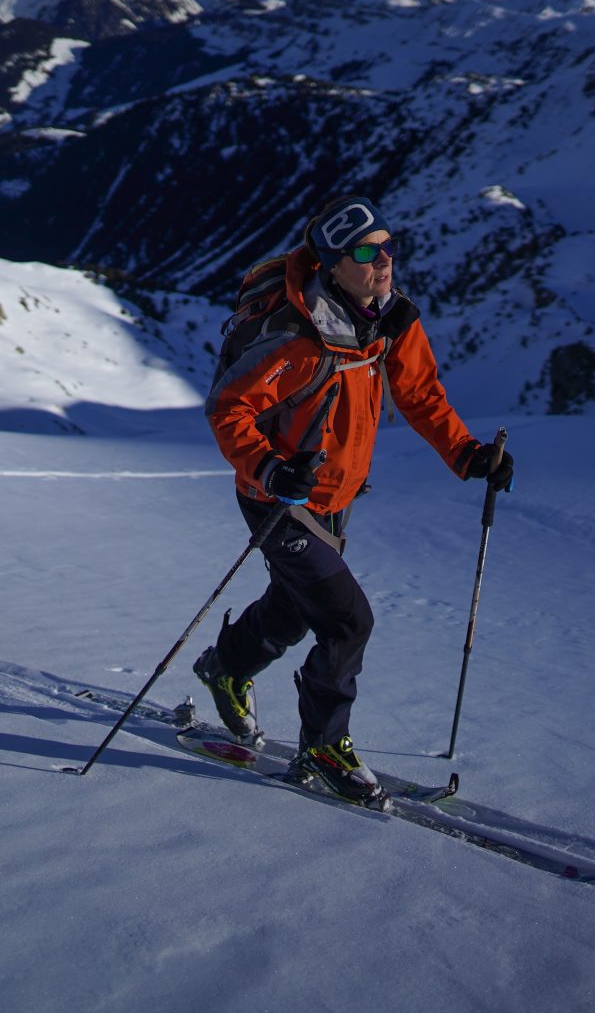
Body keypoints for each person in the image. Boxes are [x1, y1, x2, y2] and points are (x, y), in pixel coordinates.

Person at [196, 194, 514, 803]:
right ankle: (321, 745)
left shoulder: (386, 318)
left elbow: (420, 394)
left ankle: (226, 668)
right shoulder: (295, 336)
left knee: (294, 609)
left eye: (388, 247)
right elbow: (230, 409)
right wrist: (268, 467)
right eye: (366, 253)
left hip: (335, 496)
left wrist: (468, 455)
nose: (383, 262)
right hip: (278, 497)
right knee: (348, 620)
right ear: (331, 265)